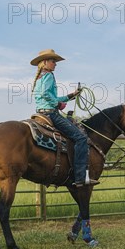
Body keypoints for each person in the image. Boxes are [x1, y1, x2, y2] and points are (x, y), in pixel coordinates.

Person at [30, 49, 99, 187]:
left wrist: (70, 96)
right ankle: (80, 176)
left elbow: (49, 96)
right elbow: (46, 95)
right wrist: (57, 103)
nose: (55, 64)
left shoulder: (40, 77)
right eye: (53, 61)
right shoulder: (49, 75)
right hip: (51, 113)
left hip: (41, 113)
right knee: (80, 138)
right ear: (45, 62)